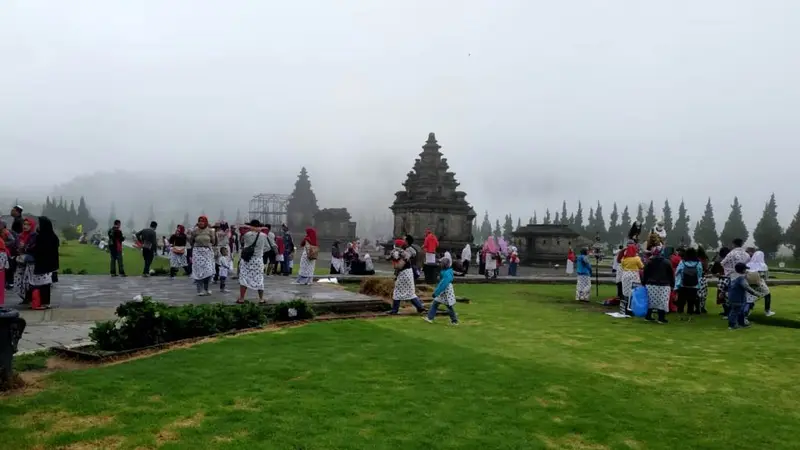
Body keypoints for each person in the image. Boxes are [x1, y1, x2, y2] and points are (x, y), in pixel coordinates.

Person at [25, 217, 59, 310]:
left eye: (39, 224)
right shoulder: (51, 236)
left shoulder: (43, 237)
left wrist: (28, 249)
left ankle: (43, 302)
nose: (37, 226)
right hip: (45, 264)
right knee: (41, 284)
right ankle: (39, 302)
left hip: (44, 263)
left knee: (43, 284)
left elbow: (40, 250)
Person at [388, 239, 426, 314]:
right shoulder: (403, 253)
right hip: (408, 274)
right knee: (410, 292)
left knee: (397, 292)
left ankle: (394, 310)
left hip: (404, 274)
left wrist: (394, 261)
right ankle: (420, 308)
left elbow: (399, 266)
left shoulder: (403, 255)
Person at [237, 221, 268, 302]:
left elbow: (241, 227)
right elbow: (266, 229)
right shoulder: (264, 235)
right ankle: (261, 298)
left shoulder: (247, 234)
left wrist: (250, 227)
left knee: (244, 277)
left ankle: (242, 298)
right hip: (258, 260)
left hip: (247, 260)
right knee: (259, 278)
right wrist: (259, 228)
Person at [424, 254, 459, 325]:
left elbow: (442, 285)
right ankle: (430, 318)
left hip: (445, 291)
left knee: (446, 306)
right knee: (438, 304)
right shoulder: (448, 272)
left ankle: (454, 321)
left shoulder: (445, 274)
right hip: (447, 290)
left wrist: (435, 293)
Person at [642, 248, 674, 323]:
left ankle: (648, 316)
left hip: (650, 284)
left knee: (650, 301)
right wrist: (672, 284)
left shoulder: (649, 262)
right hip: (664, 284)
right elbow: (670, 274)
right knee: (662, 301)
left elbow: (645, 273)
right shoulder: (667, 262)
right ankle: (661, 318)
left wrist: (644, 282)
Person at [720, 238, 751, 316]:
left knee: (731, 296)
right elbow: (748, 265)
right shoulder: (746, 254)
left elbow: (722, 263)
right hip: (743, 276)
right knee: (742, 295)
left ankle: (731, 314)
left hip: (732, 276)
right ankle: (741, 314)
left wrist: (730, 269)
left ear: (733, 244)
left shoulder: (731, 254)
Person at [189, 216, 217, 296]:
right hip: (197, 252)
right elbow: (191, 241)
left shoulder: (210, 231)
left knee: (208, 271)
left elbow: (213, 241)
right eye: (199, 221)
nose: (201, 223)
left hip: (207, 252)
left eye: (202, 221)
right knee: (199, 272)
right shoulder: (195, 231)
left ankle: (207, 288)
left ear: (206, 222)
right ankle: (199, 290)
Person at [728, 263, 761, 330]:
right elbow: (746, 287)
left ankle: (741, 323)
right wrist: (755, 293)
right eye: (745, 269)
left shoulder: (733, 276)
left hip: (732, 296)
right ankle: (732, 325)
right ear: (743, 270)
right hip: (738, 297)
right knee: (735, 311)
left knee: (737, 311)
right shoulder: (741, 278)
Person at [14, 218, 36, 304]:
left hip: (30, 261)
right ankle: (24, 298)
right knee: (19, 280)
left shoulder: (34, 236)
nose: (25, 226)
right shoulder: (20, 236)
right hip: (21, 261)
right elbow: (16, 246)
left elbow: (33, 248)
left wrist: (25, 247)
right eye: (24, 224)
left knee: (27, 280)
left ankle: (29, 298)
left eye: (28, 224)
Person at [675, 247, 703, 314]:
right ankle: (690, 311)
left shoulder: (682, 262)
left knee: (681, 300)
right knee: (691, 301)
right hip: (694, 285)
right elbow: (700, 274)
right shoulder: (698, 263)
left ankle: (680, 311)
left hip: (683, 284)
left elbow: (677, 272)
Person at [747, 249, 774, 316]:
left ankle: (748, 311)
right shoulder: (763, 265)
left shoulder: (748, 264)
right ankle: (767, 311)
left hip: (749, 283)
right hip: (760, 283)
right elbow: (766, 277)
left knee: (750, 297)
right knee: (767, 295)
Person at [619, 244, 644, 315]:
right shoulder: (637, 258)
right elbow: (641, 266)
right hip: (634, 275)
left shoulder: (624, 259)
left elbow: (622, 267)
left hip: (625, 275)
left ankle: (625, 309)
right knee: (634, 292)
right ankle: (632, 308)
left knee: (626, 292)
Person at [696, 246, 710, 313]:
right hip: (703, 278)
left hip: (696, 278)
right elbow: (706, 269)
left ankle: (697, 308)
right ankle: (702, 307)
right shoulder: (705, 259)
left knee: (697, 294)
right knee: (703, 294)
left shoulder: (696, 259)